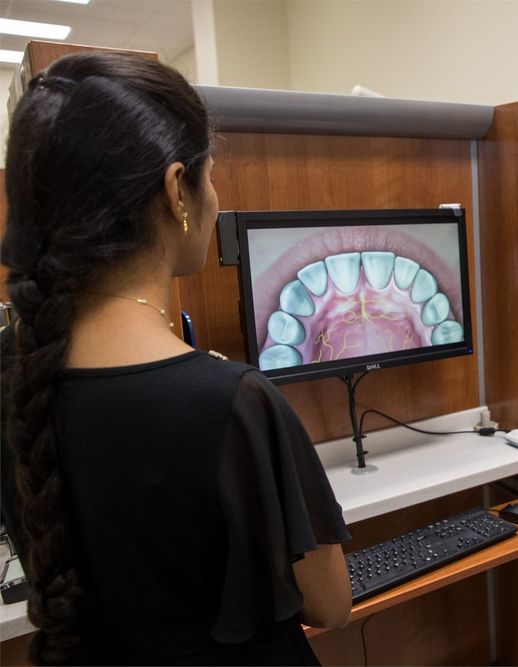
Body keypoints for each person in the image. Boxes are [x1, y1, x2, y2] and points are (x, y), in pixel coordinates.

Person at [0, 52, 353, 665]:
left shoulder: (15, 378)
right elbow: (329, 605)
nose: (214, 197)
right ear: (176, 191)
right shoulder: (234, 402)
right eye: (210, 176)